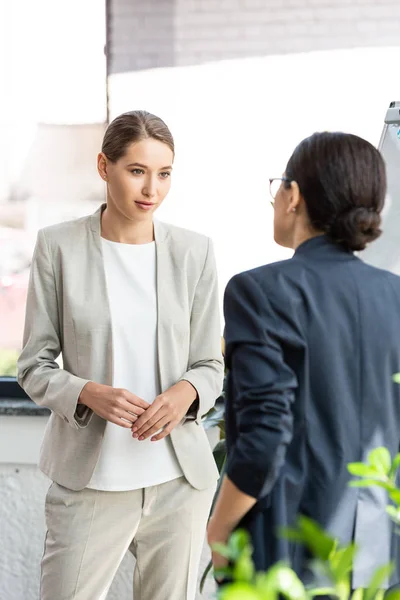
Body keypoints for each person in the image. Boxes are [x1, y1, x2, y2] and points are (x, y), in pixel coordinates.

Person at [18, 110, 224, 600]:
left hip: (178, 482)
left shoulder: (195, 252)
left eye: (164, 173)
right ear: (103, 166)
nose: (151, 188)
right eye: (137, 170)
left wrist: (186, 392)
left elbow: (210, 364)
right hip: (91, 481)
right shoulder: (58, 247)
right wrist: (87, 392)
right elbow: (33, 364)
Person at [208, 131, 400, 590]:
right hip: (377, 556)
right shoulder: (394, 295)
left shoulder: (258, 291)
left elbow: (264, 436)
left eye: (279, 185)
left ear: (293, 195)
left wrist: (217, 532)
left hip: (285, 553)